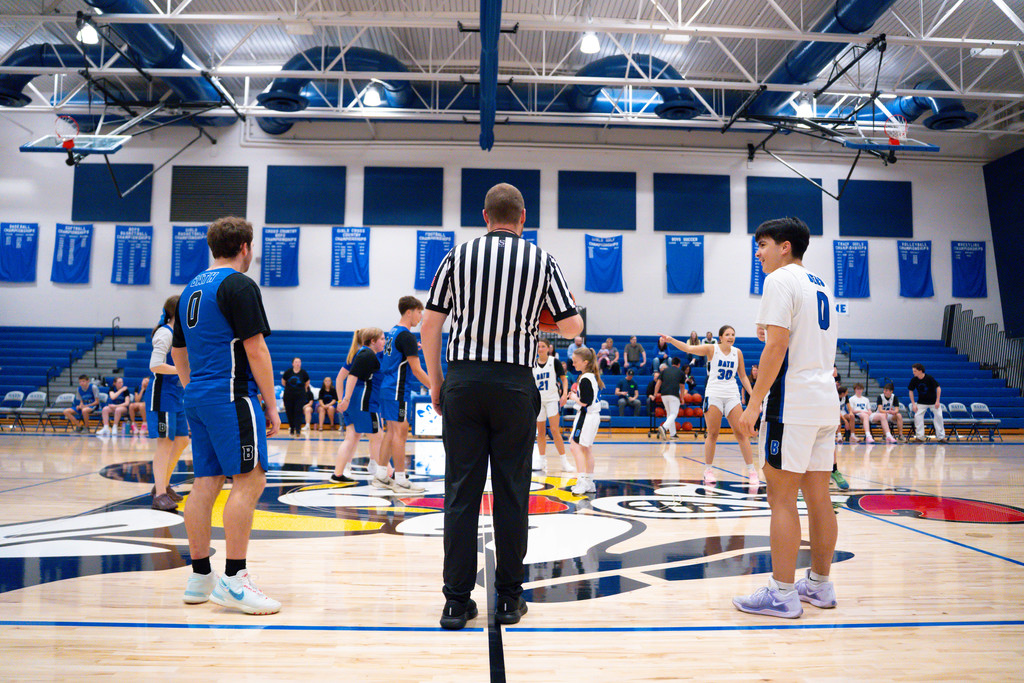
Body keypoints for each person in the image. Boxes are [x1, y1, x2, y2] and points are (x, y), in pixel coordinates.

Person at [421, 182, 583, 631]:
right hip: (514, 385)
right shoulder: (542, 260)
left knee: (461, 494)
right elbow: (573, 327)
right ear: (523, 217)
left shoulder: (457, 255)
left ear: (485, 217)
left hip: (464, 381)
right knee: (512, 493)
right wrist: (538, 321)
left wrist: (437, 382)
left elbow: (430, 326)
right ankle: (509, 598)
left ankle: (456, 602)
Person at [171, 215, 281, 615]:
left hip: (198, 396)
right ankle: (234, 579)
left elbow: (178, 350)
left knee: (205, 483)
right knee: (251, 479)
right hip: (230, 395)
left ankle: (201, 576)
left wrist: (192, 388)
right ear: (245, 247)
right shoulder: (239, 284)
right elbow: (256, 349)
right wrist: (272, 404)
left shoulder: (190, 289)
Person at [734, 216, 839, 619]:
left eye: (762, 245)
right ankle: (820, 585)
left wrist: (754, 402)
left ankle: (781, 593)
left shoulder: (779, 280)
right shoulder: (820, 283)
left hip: (792, 403)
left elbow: (776, 347)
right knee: (819, 497)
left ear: (784, 247)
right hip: (824, 400)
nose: (758, 254)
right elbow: (791, 336)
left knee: (781, 499)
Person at [662, 325, 758, 487]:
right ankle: (708, 470)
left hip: (732, 395)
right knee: (713, 434)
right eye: (727, 334)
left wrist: (754, 396)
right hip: (714, 395)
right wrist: (671, 340)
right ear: (720, 337)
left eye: (733, 334)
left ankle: (752, 471)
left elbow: (742, 376)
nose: (731, 337)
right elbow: (688, 348)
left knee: (741, 434)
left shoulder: (738, 352)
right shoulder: (712, 349)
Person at [378, 296, 431, 494]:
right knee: (400, 434)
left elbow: (396, 356)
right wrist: (436, 387)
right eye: (419, 312)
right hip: (397, 389)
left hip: (387, 387)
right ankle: (400, 480)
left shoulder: (393, 332)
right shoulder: (407, 336)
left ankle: (381, 475)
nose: (421, 316)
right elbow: (417, 370)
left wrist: (412, 347)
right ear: (409, 312)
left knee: (391, 433)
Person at [147, 295, 191, 511]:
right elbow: (155, 365)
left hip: (176, 395)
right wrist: (181, 370)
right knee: (165, 444)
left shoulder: (181, 334)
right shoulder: (165, 333)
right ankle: (160, 494)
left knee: (182, 440)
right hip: (162, 395)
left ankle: (162, 484)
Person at [332, 328, 386, 485]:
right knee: (378, 437)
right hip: (363, 401)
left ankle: (338, 474)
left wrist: (343, 400)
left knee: (352, 437)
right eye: (382, 338)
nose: (384, 341)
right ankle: (384, 473)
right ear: (373, 341)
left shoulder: (363, 354)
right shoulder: (366, 354)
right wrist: (344, 399)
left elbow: (342, 378)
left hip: (356, 401)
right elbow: (351, 377)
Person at [568, 347, 604, 495]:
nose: (573, 364)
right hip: (592, 416)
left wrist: (573, 397)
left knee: (574, 446)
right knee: (586, 448)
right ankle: (589, 482)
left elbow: (585, 402)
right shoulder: (591, 376)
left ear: (585, 362)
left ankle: (582, 481)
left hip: (586, 416)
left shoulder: (585, 378)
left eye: (576, 361)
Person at [533, 338, 570, 472]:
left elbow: (564, 379)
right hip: (539, 401)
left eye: (543, 346)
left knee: (554, 430)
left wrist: (564, 394)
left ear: (549, 348)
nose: (540, 349)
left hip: (552, 399)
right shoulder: (533, 364)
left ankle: (564, 462)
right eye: (538, 346)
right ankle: (542, 461)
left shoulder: (554, 362)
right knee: (541, 432)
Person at [908, 364, 945, 443]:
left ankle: (941, 437)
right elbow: (910, 391)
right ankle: (919, 437)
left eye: (915, 371)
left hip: (933, 402)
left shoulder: (929, 378)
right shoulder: (914, 380)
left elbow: (938, 388)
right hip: (921, 402)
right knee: (917, 417)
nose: (913, 373)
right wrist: (913, 404)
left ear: (920, 371)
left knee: (939, 416)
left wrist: (938, 400)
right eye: (913, 371)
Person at [654, 357, 684, 439]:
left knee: (669, 414)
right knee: (674, 413)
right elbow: (682, 386)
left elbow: (658, 383)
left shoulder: (664, 371)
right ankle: (664, 428)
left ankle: (673, 434)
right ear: (679, 364)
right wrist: (682, 398)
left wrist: (655, 394)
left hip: (664, 395)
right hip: (674, 394)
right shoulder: (681, 372)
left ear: (672, 363)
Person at [281, 357, 309, 437]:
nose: (297, 363)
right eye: (296, 362)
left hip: (300, 396)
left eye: (299, 362)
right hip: (288, 396)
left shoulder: (303, 373)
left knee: (298, 411)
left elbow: (307, 382)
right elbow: (283, 382)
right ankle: (292, 428)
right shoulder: (288, 372)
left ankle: (298, 429)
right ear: (293, 363)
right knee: (289, 412)